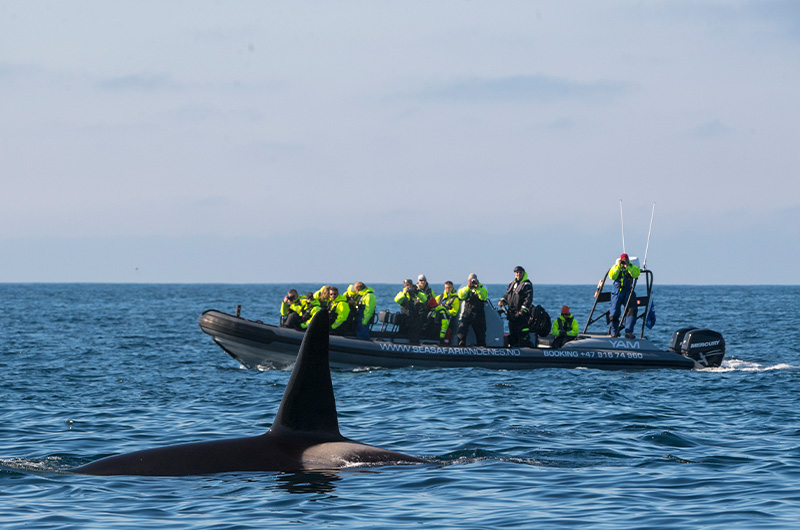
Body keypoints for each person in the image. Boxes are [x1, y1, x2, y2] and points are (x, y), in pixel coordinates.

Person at [498, 265, 533, 347]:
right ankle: (513, 347)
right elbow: (508, 295)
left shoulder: (527, 284)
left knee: (521, 332)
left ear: (523, 273)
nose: (518, 274)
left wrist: (522, 310)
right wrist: (503, 301)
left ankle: (523, 347)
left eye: (520, 272)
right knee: (512, 332)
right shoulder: (512, 284)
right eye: (517, 272)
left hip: (520, 314)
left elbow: (528, 299)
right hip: (511, 313)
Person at [608, 253, 641, 338]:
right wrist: (619, 266)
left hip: (629, 292)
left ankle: (629, 332)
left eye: (625, 260)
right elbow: (612, 276)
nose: (624, 262)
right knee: (614, 312)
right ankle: (614, 332)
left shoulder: (632, 267)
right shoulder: (615, 267)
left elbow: (636, 274)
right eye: (623, 261)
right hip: (617, 292)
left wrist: (628, 267)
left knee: (632, 310)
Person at [456, 273, 489, 346]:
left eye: (474, 280)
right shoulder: (465, 288)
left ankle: (481, 346)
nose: (473, 282)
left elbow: (483, 297)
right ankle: (461, 343)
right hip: (468, 312)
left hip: (478, 313)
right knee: (462, 328)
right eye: (471, 280)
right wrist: (468, 287)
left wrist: (477, 288)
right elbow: (460, 295)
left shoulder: (481, 287)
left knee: (481, 332)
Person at [394, 279, 428, 344]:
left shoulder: (417, 293)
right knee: (402, 335)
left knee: (415, 337)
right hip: (405, 320)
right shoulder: (402, 294)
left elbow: (424, 299)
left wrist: (417, 292)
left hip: (415, 321)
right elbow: (397, 300)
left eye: (409, 285)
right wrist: (404, 293)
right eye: (406, 285)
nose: (408, 287)